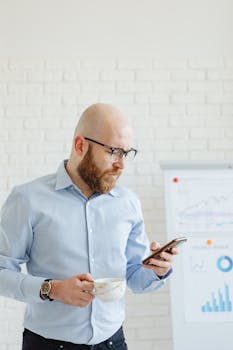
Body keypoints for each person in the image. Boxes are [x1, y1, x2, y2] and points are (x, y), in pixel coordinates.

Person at [0, 103, 177, 350]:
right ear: (80, 145)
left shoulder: (128, 204)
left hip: (113, 342)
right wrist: (52, 289)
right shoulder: (28, 199)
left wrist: (157, 269)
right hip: (48, 345)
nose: (121, 164)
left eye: (126, 153)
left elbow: (135, 277)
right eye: (113, 151)